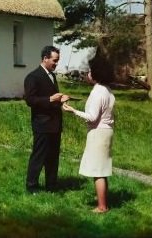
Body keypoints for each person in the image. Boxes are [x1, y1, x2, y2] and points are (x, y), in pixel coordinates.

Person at [63, 53, 115, 213]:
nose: (88, 74)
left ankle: (102, 206)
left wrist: (72, 110)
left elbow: (92, 117)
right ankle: (103, 203)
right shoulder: (108, 90)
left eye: (90, 71)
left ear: (97, 74)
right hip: (107, 131)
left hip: (98, 133)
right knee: (102, 170)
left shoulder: (97, 92)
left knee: (98, 171)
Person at [24, 45, 70, 193]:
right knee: (39, 156)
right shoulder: (33, 77)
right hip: (42, 124)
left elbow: (51, 96)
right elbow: (30, 100)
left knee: (53, 156)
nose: (56, 64)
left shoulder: (52, 75)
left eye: (57, 61)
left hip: (55, 123)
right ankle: (32, 186)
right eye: (54, 60)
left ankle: (51, 185)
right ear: (45, 58)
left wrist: (61, 99)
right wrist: (50, 99)